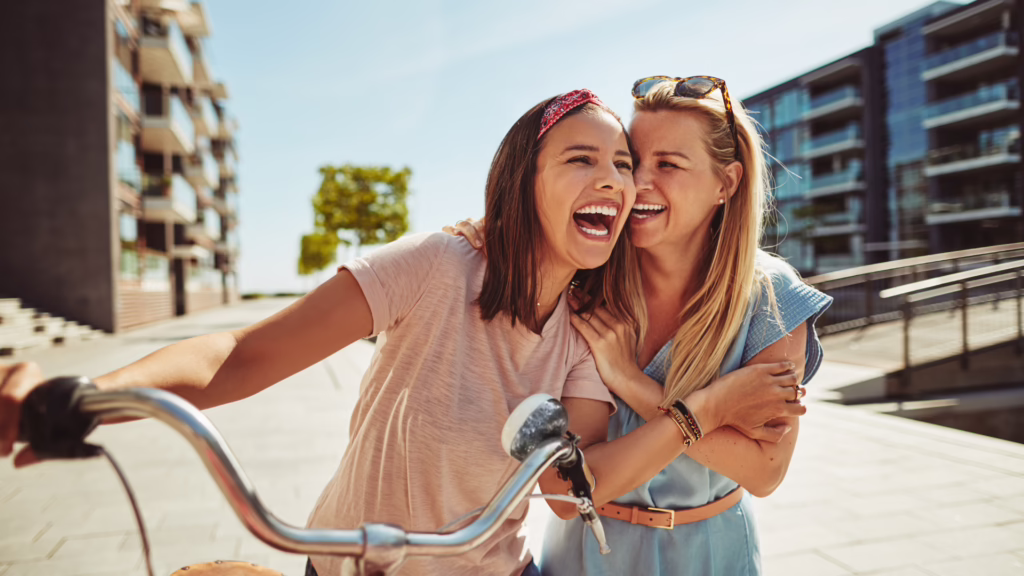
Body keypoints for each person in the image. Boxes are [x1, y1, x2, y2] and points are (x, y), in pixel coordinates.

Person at [0, 89, 801, 576]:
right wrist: (92, 394)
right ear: (521, 182)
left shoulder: (592, 331)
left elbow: (574, 484)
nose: (615, 180)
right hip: (349, 562)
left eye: (623, 166)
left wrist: (700, 403)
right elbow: (238, 356)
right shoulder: (438, 265)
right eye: (582, 159)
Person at [447, 77, 832, 575]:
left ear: (727, 183)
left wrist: (632, 382)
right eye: (633, 161)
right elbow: (564, 489)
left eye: (668, 164)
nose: (637, 183)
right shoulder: (583, 281)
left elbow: (766, 471)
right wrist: (486, 236)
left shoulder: (772, 299)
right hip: (584, 552)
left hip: (713, 556)